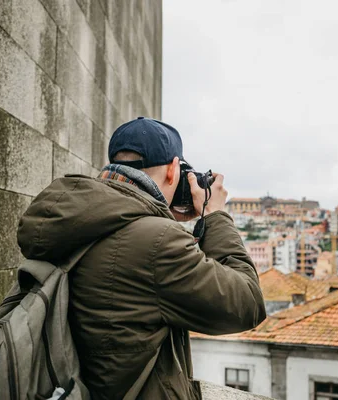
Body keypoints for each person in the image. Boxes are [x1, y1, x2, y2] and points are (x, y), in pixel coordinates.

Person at [17, 117, 267, 399]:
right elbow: (247, 304)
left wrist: (159, 216)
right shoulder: (158, 242)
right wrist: (215, 215)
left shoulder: (74, 217)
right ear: (174, 170)